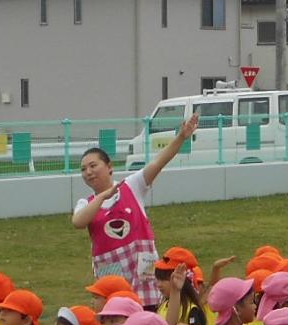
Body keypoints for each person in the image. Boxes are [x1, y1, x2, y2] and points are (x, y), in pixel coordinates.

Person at [71, 114, 200, 305]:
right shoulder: (86, 203)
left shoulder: (132, 186)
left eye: (93, 166)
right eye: (83, 169)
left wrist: (181, 137)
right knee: (118, 315)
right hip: (112, 274)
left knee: (148, 311)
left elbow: (158, 162)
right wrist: (101, 197)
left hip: (143, 269)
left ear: (109, 167)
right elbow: (78, 222)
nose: (88, 172)